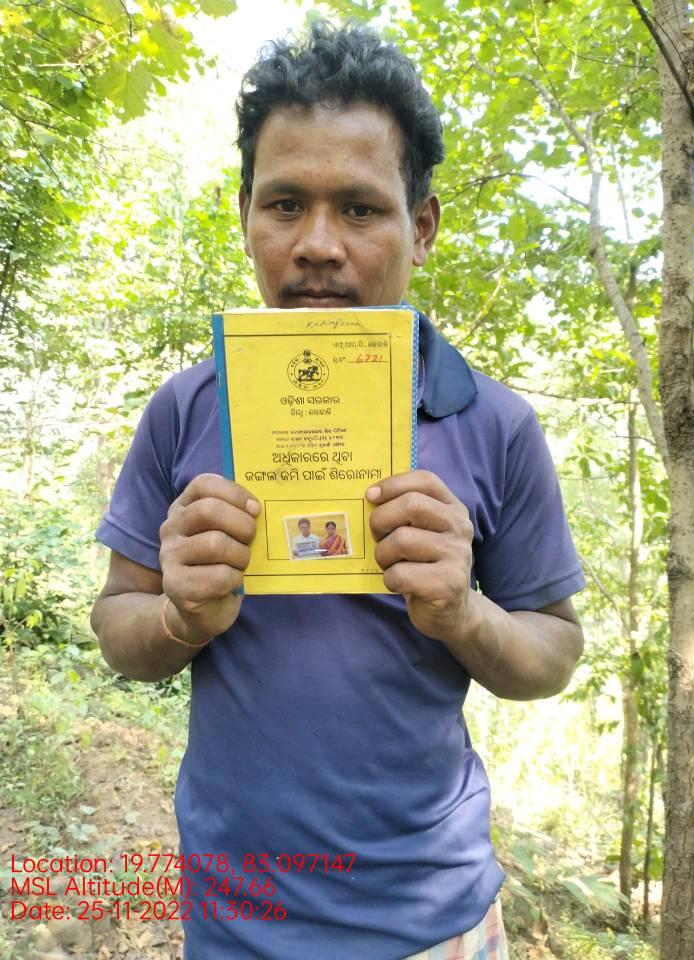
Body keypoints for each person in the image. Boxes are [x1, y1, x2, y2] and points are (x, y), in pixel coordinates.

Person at [91, 20, 585, 960]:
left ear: (421, 227)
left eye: (360, 209)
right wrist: (180, 620)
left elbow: (554, 652)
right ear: (245, 213)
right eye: (285, 203)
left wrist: (465, 615)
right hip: (235, 922)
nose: (318, 245)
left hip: (434, 925)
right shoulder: (185, 409)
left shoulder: (496, 424)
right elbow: (119, 623)